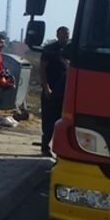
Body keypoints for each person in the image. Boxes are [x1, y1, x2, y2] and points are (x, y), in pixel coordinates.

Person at [39, 26, 70, 156]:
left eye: (67, 34)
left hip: (67, 92)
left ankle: (59, 149)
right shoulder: (50, 50)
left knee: (63, 121)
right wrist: (46, 87)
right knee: (49, 120)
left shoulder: (72, 50)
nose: (65, 37)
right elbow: (42, 69)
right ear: (57, 35)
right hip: (51, 90)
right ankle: (45, 146)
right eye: (62, 34)